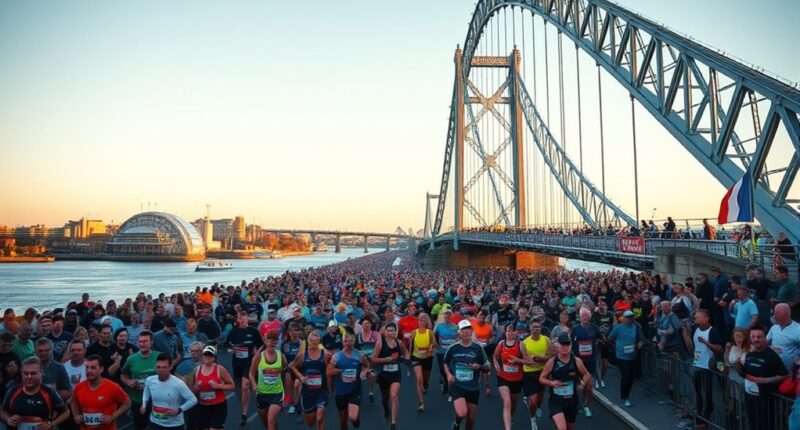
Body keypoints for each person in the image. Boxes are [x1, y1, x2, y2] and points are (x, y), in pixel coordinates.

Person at [539, 334, 593, 430]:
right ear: (558, 346)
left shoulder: (576, 361)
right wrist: (552, 383)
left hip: (571, 401)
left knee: (569, 427)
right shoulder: (552, 362)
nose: (565, 347)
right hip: (556, 400)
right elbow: (542, 378)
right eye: (562, 345)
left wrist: (582, 383)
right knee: (562, 428)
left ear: (571, 345)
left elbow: (586, 374)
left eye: (567, 344)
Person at [0, 357, 70, 430]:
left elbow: (66, 412)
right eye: (26, 373)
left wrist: (51, 423)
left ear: (41, 373)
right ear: (21, 374)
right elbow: (2, 411)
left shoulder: (49, 392)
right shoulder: (13, 391)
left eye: (33, 373)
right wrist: (8, 419)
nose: (29, 377)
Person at [443, 319, 489, 430]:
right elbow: (445, 362)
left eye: (468, 330)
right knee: (462, 412)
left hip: (473, 387)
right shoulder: (453, 348)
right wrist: (449, 375)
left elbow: (487, 367)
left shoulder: (478, 348)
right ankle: (457, 423)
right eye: (463, 330)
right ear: (459, 333)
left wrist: (480, 367)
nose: (466, 333)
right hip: (458, 386)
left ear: (472, 331)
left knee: (471, 419)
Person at [739, 326, 789, 430]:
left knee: (764, 425)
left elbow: (785, 376)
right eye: (753, 336)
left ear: (765, 338)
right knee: (752, 424)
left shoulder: (771, 355)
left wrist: (766, 380)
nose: (756, 339)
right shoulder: (749, 352)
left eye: (759, 337)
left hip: (764, 399)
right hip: (749, 396)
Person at [70, 354, 131, 430]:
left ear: (101, 369)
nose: (89, 371)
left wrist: (113, 416)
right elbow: (73, 401)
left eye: (93, 368)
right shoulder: (78, 387)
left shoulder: (113, 387)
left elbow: (127, 402)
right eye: (87, 367)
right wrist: (76, 415)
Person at [327, 326, 370, 430]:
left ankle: (356, 420)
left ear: (354, 342)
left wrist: (364, 371)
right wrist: (338, 371)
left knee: (353, 416)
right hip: (341, 392)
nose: (348, 342)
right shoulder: (337, 356)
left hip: (355, 390)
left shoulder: (360, 355)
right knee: (343, 420)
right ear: (343, 342)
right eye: (346, 340)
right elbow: (328, 372)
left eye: (350, 341)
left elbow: (367, 365)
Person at [141, 353, 198, 430]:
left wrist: (179, 410)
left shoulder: (178, 383)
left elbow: (193, 400)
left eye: (164, 367)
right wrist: (144, 404)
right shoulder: (150, 380)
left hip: (174, 425)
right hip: (155, 423)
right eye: (158, 367)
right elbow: (146, 393)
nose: (160, 370)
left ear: (170, 367)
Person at [225, 310, 263, 426]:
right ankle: (244, 404)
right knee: (239, 389)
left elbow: (262, 344)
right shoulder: (233, 331)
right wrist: (230, 350)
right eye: (239, 319)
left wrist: (257, 352)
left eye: (244, 319)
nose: (241, 321)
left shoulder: (253, 331)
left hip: (249, 363)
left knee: (245, 386)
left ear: (247, 319)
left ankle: (244, 414)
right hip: (236, 364)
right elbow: (227, 345)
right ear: (237, 320)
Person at [686, 309, 722, 429]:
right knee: (698, 394)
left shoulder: (713, 331)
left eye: (698, 317)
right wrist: (685, 335)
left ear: (706, 318)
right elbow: (692, 348)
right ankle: (699, 417)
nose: (696, 319)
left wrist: (707, 343)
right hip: (697, 365)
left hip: (707, 367)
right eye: (695, 317)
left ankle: (705, 419)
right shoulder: (695, 330)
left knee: (707, 395)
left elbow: (719, 348)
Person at [289, 330, 330, 430]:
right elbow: (293, 366)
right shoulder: (302, 355)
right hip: (307, 393)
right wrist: (301, 377)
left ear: (319, 341)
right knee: (311, 423)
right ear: (308, 341)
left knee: (320, 417)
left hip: (322, 392)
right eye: (312, 341)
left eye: (316, 341)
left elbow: (331, 367)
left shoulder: (325, 355)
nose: (314, 343)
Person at [371, 322, 409, 430]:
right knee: (385, 398)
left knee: (393, 396)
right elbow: (373, 359)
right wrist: (385, 359)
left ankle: (393, 423)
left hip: (396, 373)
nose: (391, 332)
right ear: (385, 333)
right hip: (384, 374)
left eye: (393, 330)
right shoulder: (380, 343)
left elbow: (406, 353)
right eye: (389, 330)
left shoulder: (399, 342)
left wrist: (406, 358)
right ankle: (385, 408)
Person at [120, 331, 159, 430]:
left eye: (145, 341)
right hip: (138, 400)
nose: (142, 344)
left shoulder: (159, 356)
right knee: (140, 426)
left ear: (151, 343)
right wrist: (128, 381)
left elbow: (168, 374)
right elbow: (123, 375)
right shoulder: (132, 359)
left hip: (157, 400)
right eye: (140, 342)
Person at [188, 346, 234, 430]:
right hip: (203, 406)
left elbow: (231, 385)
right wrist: (196, 388)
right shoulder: (196, 370)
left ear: (214, 357)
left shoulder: (220, 369)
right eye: (205, 355)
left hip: (218, 406)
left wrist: (219, 386)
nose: (207, 357)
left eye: (210, 355)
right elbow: (192, 388)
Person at [249, 329, 286, 430]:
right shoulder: (258, 357)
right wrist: (254, 385)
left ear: (277, 342)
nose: (271, 343)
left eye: (274, 340)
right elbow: (251, 374)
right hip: (262, 394)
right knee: (267, 422)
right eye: (269, 340)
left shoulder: (281, 356)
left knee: (271, 419)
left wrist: (286, 395)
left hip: (277, 393)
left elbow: (286, 373)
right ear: (265, 341)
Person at [607, 310, 645, 407]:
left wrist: (640, 343)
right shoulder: (618, 328)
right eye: (628, 317)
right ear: (624, 318)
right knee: (626, 376)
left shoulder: (636, 327)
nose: (630, 319)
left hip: (633, 355)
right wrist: (616, 346)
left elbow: (641, 338)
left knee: (631, 377)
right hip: (621, 356)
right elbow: (610, 338)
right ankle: (624, 396)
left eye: (631, 317)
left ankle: (626, 393)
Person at [521, 318, 551, 430]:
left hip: (543, 372)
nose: (536, 329)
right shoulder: (524, 342)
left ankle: (538, 407)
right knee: (533, 400)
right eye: (534, 327)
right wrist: (534, 361)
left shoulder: (546, 340)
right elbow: (525, 358)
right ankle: (533, 419)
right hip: (529, 372)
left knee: (540, 398)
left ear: (541, 328)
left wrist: (541, 358)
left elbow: (550, 356)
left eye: (538, 327)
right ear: (530, 328)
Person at [493, 323, 524, 430]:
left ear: (516, 333)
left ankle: (510, 416)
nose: (510, 333)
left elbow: (529, 361)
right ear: (505, 333)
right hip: (503, 378)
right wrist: (496, 363)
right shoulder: (501, 344)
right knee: (507, 402)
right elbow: (495, 356)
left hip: (517, 379)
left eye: (512, 331)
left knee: (513, 404)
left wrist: (518, 360)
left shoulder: (520, 345)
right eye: (507, 331)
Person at [570, 307, 599, 417]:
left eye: (586, 316)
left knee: (589, 385)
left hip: (590, 360)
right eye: (582, 317)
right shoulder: (575, 329)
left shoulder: (594, 328)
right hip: (578, 361)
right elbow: (570, 342)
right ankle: (575, 403)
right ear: (580, 318)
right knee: (576, 385)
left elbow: (601, 338)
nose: (584, 318)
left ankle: (586, 405)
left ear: (590, 317)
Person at [410, 313, 438, 412]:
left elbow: (435, 344)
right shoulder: (414, 332)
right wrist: (410, 357)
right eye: (419, 320)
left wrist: (430, 349)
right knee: (419, 378)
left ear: (426, 322)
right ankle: (421, 402)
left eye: (423, 320)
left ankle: (426, 384)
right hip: (416, 357)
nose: (421, 322)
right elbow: (411, 346)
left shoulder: (430, 332)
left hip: (427, 357)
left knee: (425, 378)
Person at [354, 317, 380, 406]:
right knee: (356, 377)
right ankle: (358, 392)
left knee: (372, 375)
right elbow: (355, 349)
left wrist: (372, 358)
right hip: (361, 360)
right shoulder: (358, 336)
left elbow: (379, 346)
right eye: (364, 323)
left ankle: (371, 392)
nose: (366, 325)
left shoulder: (376, 334)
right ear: (361, 325)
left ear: (371, 324)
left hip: (372, 360)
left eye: (368, 323)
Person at [282, 322, 306, 415]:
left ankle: (297, 403)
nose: (296, 333)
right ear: (289, 332)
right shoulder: (285, 343)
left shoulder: (303, 343)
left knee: (296, 386)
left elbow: (301, 356)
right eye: (294, 331)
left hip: (299, 368)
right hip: (289, 368)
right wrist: (287, 366)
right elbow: (283, 356)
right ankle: (290, 402)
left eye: (298, 331)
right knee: (288, 385)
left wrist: (292, 364)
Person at [434, 307, 458, 394]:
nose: (447, 316)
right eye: (446, 314)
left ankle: (451, 386)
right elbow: (435, 337)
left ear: (452, 316)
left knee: (452, 369)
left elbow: (459, 338)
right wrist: (437, 346)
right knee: (442, 370)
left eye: (449, 314)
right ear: (443, 316)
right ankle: (445, 382)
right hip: (441, 351)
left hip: (452, 352)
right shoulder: (439, 327)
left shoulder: (456, 327)